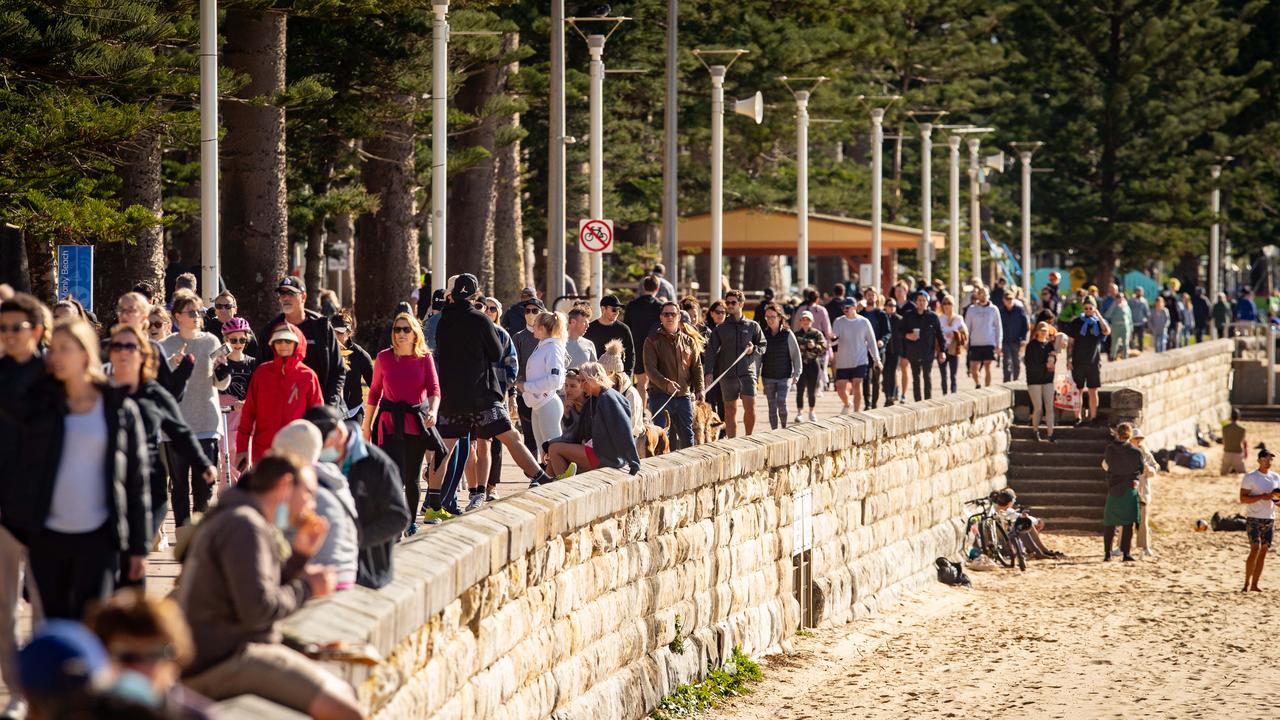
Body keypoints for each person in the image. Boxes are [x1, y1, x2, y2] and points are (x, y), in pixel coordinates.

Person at [176, 452, 360, 719]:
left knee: (344, 690)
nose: (311, 504)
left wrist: (298, 558)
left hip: (225, 649)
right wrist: (308, 587)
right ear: (285, 485)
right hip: (222, 660)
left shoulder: (243, 516)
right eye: (308, 493)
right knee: (345, 710)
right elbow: (257, 609)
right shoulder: (244, 525)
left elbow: (253, 588)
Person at [24, 319, 150, 620]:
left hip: (100, 536)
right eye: (52, 350)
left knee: (92, 624)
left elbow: (136, 479)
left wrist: (138, 546)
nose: (55, 357)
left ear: (85, 353)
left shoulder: (117, 407)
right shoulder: (40, 404)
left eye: (64, 349)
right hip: (47, 536)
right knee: (55, 626)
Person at [432, 274, 554, 513]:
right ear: (476, 294)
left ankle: (433, 504)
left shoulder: (443, 320)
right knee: (511, 437)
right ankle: (540, 476)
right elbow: (497, 352)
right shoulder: (480, 319)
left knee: (444, 449)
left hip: (452, 397)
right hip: (481, 395)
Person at [108, 323, 214, 568]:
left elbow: (179, 431)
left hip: (147, 485)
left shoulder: (153, 393)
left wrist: (203, 463)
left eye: (130, 346)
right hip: (111, 484)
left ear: (142, 354)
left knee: (135, 558)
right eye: (117, 346)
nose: (123, 352)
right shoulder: (100, 392)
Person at [0, 293, 49, 719]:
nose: (9, 336)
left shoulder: (54, 377)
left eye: (16, 328)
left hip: (49, 510)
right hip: (4, 510)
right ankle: (16, 691)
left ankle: (40, 692)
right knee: (3, 608)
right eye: (3, 329)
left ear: (36, 330)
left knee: (44, 606)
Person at [304, 405, 408, 590]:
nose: (319, 454)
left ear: (338, 433)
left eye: (323, 446)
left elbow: (399, 517)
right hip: (326, 571)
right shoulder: (315, 461)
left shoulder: (377, 464)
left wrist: (354, 540)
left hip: (370, 573)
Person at [360, 312, 441, 533]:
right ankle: (392, 521)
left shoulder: (424, 358)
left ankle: (411, 521)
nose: (401, 334)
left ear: (415, 333)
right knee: (390, 474)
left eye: (406, 329)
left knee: (411, 476)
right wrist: (367, 426)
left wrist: (432, 411)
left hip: (415, 423)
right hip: (388, 425)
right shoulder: (384, 358)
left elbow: (434, 389)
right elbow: (374, 393)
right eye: (397, 329)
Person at [159, 291, 230, 528]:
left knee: (205, 485)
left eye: (199, 312)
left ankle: (199, 535)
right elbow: (159, 384)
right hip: (176, 427)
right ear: (177, 316)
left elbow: (222, 383)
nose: (197, 316)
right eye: (191, 312)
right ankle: (182, 533)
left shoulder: (211, 341)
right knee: (179, 485)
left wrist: (223, 370)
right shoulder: (166, 345)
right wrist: (173, 363)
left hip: (206, 423)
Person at [87, 589, 216, 719]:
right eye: (127, 657)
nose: (140, 669)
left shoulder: (198, 716)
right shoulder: (80, 711)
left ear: (174, 659)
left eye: (154, 655)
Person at [271, 422, 359, 590]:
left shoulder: (302, 491)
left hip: (322, 582)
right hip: (347, 576)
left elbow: (280, 537)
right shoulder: (334, 481)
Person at [235, 322, 323, 467]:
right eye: (278, 341)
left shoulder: (308, 376)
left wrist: (317, 452)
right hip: (264, 453)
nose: (283, 345)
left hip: (299, 453)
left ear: (297, 343)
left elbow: (318, 418)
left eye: (288, 341)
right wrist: (242, 449)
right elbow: (248, 415)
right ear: (272, 344)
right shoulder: (261, 373)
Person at [257, 276, 346, 410]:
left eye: (291, 293)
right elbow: (261, 372)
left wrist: (328, 407)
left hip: (319, 408)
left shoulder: (321, 327)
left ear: (303, 297)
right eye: (282, 293)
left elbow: (338, 370)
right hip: (283, 410)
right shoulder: (270, 331)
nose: (285, 298)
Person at [544, 362, 640, 477]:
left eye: (582, 381)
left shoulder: (608, 398)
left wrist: (634, 463)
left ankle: (565, 487)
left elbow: (623, 430)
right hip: (599, 452)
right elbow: (577, 433)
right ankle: (542, 485)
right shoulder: (594, 399)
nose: (582, 386)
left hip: (607, 457)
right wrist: (549, 444)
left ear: (592, 380)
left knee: (555, 450)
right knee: (553, 454)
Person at [643, 301, 705, 450]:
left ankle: (690, 467)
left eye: (673, 314)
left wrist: (700, 389)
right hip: (660, 396)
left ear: (679, 317)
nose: (670, 317)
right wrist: (666, 384)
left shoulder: (689, 341)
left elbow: (697, 367)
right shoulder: (652, 341)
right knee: (662, 436)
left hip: (684, 396)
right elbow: (650, 370)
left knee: (687, 435)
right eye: (666, 314)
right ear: (661, 317)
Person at [705, 290, 766, 437]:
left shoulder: (753, 326)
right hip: (728, 375)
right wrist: (709, 372)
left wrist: (754, 350)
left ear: (741, 304)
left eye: (733, 303)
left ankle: (749, 438)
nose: (730, 306)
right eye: (728, 303)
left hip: (748, 373)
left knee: (750, 408)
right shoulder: (721, 328)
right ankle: (733, 442)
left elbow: (763, 346)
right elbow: (711, 351)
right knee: (730, 410)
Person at [116, 291, 192, 402]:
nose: (125, 315)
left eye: (131, 310)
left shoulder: (155, 349)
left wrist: (183, 369)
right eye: (121, 310)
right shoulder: (106, 348)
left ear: (142, 318)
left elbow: (171, 393)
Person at [479, 298, 518, 504]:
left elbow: (513, 363)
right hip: (474, 397)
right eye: (484, 307)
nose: (488, 311)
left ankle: (492, 486)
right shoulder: (473, 332)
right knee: (475, 443)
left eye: (493, 308)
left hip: (495, 396)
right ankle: (477, 487)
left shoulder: (502, 334)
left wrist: (503, 386)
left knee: (497, 441)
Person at [521, 311, 568, 454]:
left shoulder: (553, 347)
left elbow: (555, 380)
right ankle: (547, 476)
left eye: (535, 324)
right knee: (544, 451)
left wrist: (526, 386)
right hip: (538, 405)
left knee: (553, 449)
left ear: (542, 328)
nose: (532, 327)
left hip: (547, 403)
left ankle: (560, 476)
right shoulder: (543, 346)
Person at [512, 297, 548, 460]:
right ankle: (534, 473)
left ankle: (549, 467)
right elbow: (514, 365)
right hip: (525, 394)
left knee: (546, 433)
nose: (530, 314)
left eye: (535, 310)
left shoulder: (550, 337)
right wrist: (518, 387)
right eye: (527, 311)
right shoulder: (519, 337)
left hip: (547, 393)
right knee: (529, 432)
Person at [1101, 423, 1142, 562]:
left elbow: (1106, 465)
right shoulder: (1136, 452)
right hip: (1130, 488)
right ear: (1130, 435)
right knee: (1128, 523)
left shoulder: (1110, 449)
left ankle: (1107, 553)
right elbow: (1140, 469)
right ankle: (1126, 553)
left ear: (1117, 433)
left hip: (1114, 488)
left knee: (1109, 522)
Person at [1065, 298, 1111, 424]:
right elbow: (1070, 342)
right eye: (1086, 308)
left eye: (1091, 308)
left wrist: (1099, 316)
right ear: (1083, 308)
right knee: (1077, 390)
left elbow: (1107, 331)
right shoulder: (1077, 322)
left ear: (1095, 308)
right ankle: (1077, 417)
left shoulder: (1098, 323)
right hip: (1078, 360)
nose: (1088, 311)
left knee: (1093, 390)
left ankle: (1093, 416)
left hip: (1093, 361)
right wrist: (1068, 359)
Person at [1239, 448, 1279, 592]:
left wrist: (1276, 500)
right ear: (1259, 461)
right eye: (1265, 459)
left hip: (1269, 518)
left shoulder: (1276, 477)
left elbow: (1277, 500)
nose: (1268, 462)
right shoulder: (1251, 477)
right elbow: (1243, 498)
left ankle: (1255, 584)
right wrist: (1262, 496)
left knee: (1263, 551)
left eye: (1270, 459)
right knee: (1254, 548)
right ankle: (1246, 583)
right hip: (1254, 518)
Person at [831, 298, 879, 413]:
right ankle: (847, 403)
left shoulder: (864, 322)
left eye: (847, 307)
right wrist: (832, 339)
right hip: (843, 361)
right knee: (840, 388)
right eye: (843, 308)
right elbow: (834, 341)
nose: (844, 310)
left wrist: (877, 359)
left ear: (854, 307)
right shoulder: (838, 321)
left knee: (857, 384)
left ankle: (856, 413)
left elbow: (871, 341)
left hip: (860, 360)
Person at [759, 303, 801, 429]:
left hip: (784, 375)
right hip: (768, 376)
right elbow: (758, 357)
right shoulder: (763, 335)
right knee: (771, 406)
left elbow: (796, 355)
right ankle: (774, 431)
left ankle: (783, 427)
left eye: (773, 316)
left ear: (779, 317)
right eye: (767, 317)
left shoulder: (788, 334)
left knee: (781, 402)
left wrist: (797, 373)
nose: (770, 320)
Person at [898, 290, 946, 401]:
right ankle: (917, 402)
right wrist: (907, 335)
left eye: (924, 300)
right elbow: (899, 331)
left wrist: (942, 351)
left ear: (927, 302)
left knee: (927, 377)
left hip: (928, 351)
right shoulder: (909, 315)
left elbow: (940, 334)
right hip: (913, 351)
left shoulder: (933, 317)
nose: (921, 303)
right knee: (916, 378)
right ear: (916, 302)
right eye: (919, 300)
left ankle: (928, 401)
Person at [625, 276, 665, 405]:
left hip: (637, 346)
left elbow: (627, 327)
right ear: (657, 288)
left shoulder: (632, 305)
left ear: (643, 287)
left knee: (641, 383)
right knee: (656, 383)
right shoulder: (660, 306)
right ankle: (655, 412)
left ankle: (641, 414)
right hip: (655, 347)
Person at [332, 312, 372, 427]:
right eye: (332, 331)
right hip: (331, 411)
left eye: (340, 332)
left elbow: (375, 387)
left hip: (353, 411)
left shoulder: (360, 355)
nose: (335, 336)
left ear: (349, 333)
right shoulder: (325, 353)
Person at [1024, 322, 1059, 443]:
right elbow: (1029, 364)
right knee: (1038, 407)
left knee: (1049, 407)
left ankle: (1051, 433)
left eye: (1046, 330)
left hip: (1047, 379)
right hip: (1034, 379)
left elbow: (1053, 361)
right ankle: (1035, 430)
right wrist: (1045, 364)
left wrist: (1053, 358)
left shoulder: (1050, 345)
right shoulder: (1031, 346)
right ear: (1037, 331)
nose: (1044, 333)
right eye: (1042, 330)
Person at [585, 294, 635, 375]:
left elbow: (630, 354)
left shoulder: (623, 329)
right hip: (595, 378)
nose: (617, 313)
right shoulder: (590, 329)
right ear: (603, 308)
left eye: (619, 310)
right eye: (614, 309)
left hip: (617, 377)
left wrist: (626, 375)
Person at [858, 288, 891, 409]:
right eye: (868, 295)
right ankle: (868, 403)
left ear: (877, 298)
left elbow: (887, 332)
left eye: (873, 295)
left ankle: (875, 404)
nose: (871, 297)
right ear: (865, 297)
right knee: (866, 377)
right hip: (864, 351)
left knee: (876, 379)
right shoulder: (861, 315)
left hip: (878, 350)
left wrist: (882, 340)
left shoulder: (881, 314)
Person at [964, 286, 1002, 388]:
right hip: (975, 342)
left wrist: (999, 343)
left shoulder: (993, 309)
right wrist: (966, 341)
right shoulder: (971, 309)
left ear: (988, 295)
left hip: (989, 342)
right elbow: (967, 327)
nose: (983, 296)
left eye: (985, 294)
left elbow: (998, 327)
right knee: (973, 369)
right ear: (977, 295)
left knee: (988, 366)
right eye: (981, 293)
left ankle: (987, 389)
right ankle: (978, 383)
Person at [793, 311, 826, 422]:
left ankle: (812, 412)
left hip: (813, 364)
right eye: (803, 319)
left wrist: (814, 346)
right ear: (800, 321)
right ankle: (799, 413)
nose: (806, 322)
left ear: (812, 321)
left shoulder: (817, 334)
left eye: (808, 320)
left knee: (812, 390)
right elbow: (791, 350)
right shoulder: (796, 334)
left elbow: (824, 348)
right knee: (800, 390)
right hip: (800, 365)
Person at [1131, 427, 1158, 558]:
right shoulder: (1124, 450)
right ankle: (1121, 546)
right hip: (1129, 488)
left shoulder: (1145, 451)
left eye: (1139, 439)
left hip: (1143, 489)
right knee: (1125, 521)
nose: (1138, 441)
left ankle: (1145, 547)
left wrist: (1149, 469)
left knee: (1143, 521)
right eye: (1136, 438)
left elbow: (1155, 467)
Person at [938, 295, 967, 395]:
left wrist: (955, 334)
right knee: (943, 375)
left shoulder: (958, 318)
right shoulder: (940, 318)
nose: (946, 306)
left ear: (953, 305)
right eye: (944, 303)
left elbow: (965, 334)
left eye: (949, 303)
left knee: (953, 376)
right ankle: (944, 394)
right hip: (942, 349)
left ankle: (953, 395)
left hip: (954, 350)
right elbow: (936, 333)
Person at [998, 292, 1029, 382]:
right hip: (1005, 340)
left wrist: (1023, 338)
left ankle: (1016, 380)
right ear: (1003, 300)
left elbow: (1025, 326)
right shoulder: (1000, 311)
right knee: (1006, 362)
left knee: (1016, 362)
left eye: (1011, 299)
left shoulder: (1019, 310)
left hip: (1016, 340)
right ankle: (1006, 382)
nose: (1009, 301)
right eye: (1007, 299)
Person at [1104, 288, 1132, 361]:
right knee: (1114, 343)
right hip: (1115, 326)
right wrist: (1114, 305)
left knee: (1125, 343)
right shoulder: (1113, 305)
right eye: (1118, 297)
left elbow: (1130, 317)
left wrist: (1131, 328)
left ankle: (1125, 356)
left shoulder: (1126, 306)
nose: (1120, 299)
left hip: (1125, 326)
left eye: (1121, 297)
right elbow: (1107, 315)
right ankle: (1112, 356)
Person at [1221, 408, 1248, 474]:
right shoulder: (1242, 429)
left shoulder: (1224, 428)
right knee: (1243, 473)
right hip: (1238, 454)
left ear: (1231, 417)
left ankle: (1232, 469)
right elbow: (1244, 442)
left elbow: (1224, 441)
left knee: (1223, 473)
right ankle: (1233, 469)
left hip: (1227, 453)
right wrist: (1245, 452)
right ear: (1238, 417)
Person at [1128, 287, 1150, 352]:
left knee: (1141, 338)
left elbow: (1147, 312)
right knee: (1132, 338)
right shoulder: (1131, 300)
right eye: (1137, 291)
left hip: (1141, 323)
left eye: (1140, 291)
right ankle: (1132, 350)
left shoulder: (1144, 301)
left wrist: (1146, 320)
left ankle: (1141, 350)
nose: (1139, 292)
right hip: (1132, 323)